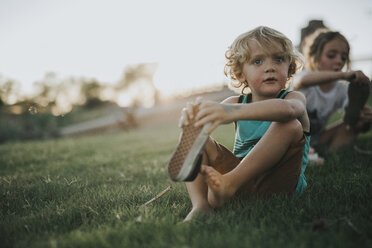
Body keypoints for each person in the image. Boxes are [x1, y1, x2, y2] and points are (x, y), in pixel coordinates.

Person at [175, 26, 311, 221]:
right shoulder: (234, 103)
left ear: (289, 67)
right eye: (257, 61)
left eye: (278, 59)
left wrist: (230, 112)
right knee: (195, 135)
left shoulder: (293, 98)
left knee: (290, 124)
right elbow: (204, 120)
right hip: (242, 178)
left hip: (280, 183)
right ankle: (200, 206)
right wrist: (193, 119)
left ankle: (228, 185)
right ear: (240, 74)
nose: (270, 66)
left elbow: (289, 111)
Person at [291, 29, 372, 161]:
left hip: (318, 137)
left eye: (343, 57)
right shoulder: (305, 77)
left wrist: (365, 119)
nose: (339, 61)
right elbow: (302, 82)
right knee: (291, 137)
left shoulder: (341, 89)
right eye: (331, 55)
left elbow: (360, 127)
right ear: (315, 56)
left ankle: (331, 153)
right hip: (291, 137)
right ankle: (306, 155)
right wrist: (344, 75)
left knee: (352, 121)